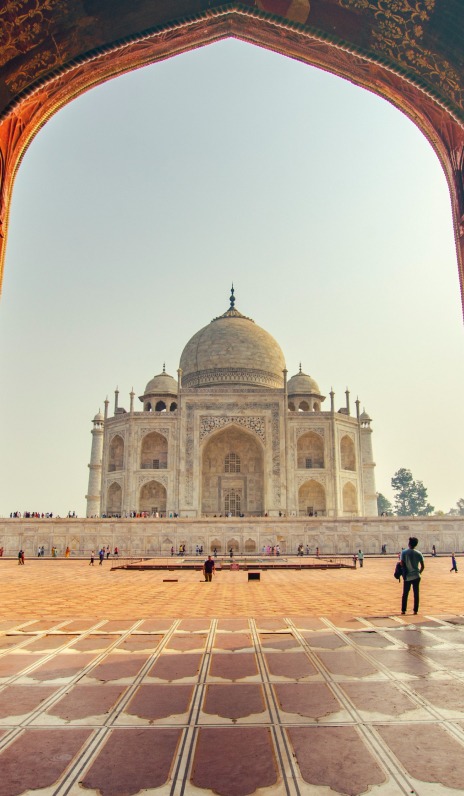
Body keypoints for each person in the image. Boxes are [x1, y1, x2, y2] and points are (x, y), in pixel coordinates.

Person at [400, 537, 424, 615]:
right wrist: (419, 573)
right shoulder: (418, 553)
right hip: (416, 576)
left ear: (409, 543)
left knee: (405, 593)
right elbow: (423, 566)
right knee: (416, 593)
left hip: (407, 576)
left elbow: (402, 564)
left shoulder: (404, 552)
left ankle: (403, 610)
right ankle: (415, 610)